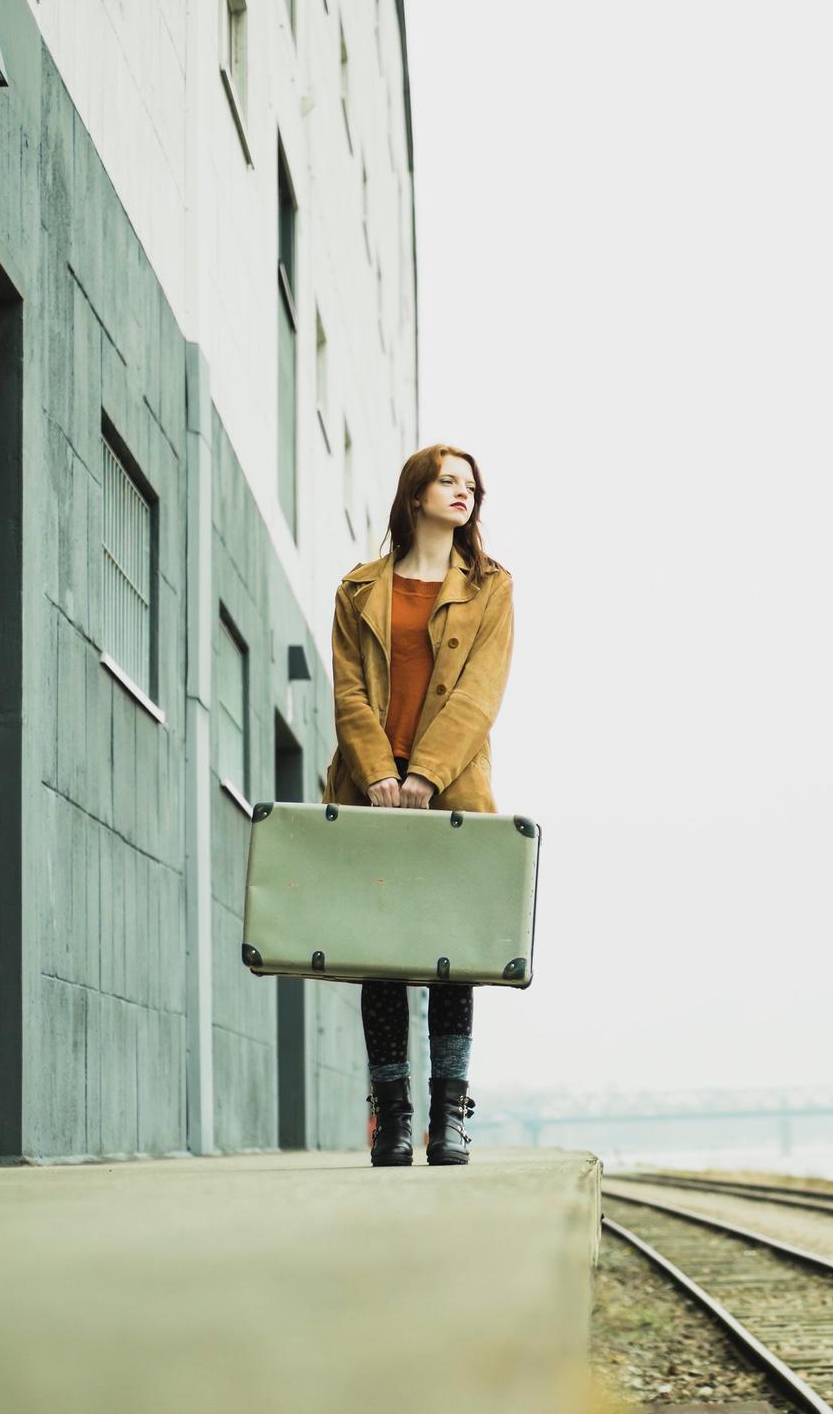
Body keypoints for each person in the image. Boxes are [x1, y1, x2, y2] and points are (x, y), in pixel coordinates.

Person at [323, 443, 516, 1167]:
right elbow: (347, 691)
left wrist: (427, 775)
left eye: (471, 485)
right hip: (372, 793)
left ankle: (450, 1115)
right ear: (415, 494)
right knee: (383, 956)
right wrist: (378, 772)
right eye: (448, 481)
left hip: (453, 790)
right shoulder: (357, 589)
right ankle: (394, 1118)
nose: (463, 493)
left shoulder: (491, 587)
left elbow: (480, 693)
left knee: (451, 956)